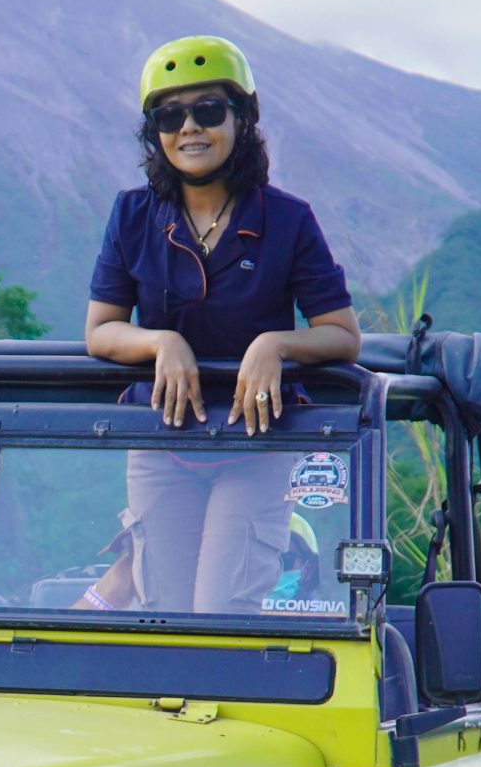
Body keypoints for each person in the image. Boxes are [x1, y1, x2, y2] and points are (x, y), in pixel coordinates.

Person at [81, 35, 360, 613]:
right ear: (154, 131)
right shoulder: (132, 215)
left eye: (208, 110)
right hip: (160, 439)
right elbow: (101, 329)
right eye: (170, 114)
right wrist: (160, 341)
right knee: (167, 612)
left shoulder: (286, 220)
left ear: (242, 119)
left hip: (257, 443)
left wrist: (276, 344)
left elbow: (341, 333)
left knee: (220, 613)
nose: (190, 128)